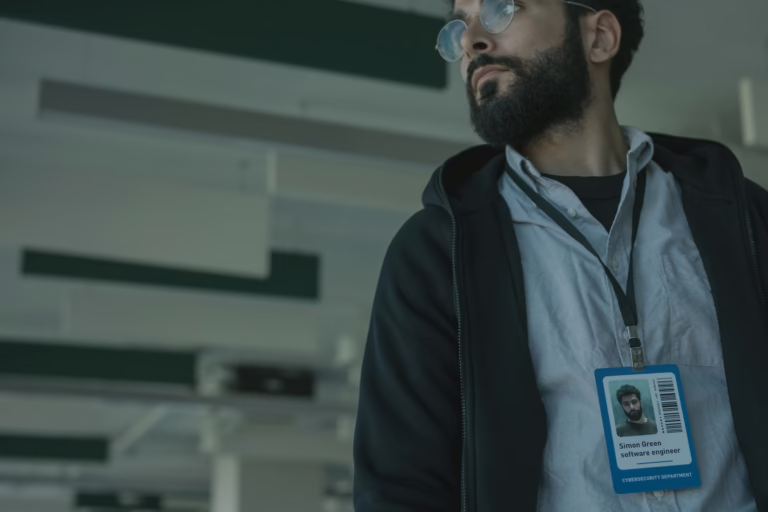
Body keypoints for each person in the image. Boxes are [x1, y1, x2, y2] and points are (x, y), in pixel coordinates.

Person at [353, 0, 768, 511]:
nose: (471, 41)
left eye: (503, 9)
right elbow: (400, 486)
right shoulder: (439, 252)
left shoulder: (740, 219)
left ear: (599, 38)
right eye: (458, 26)